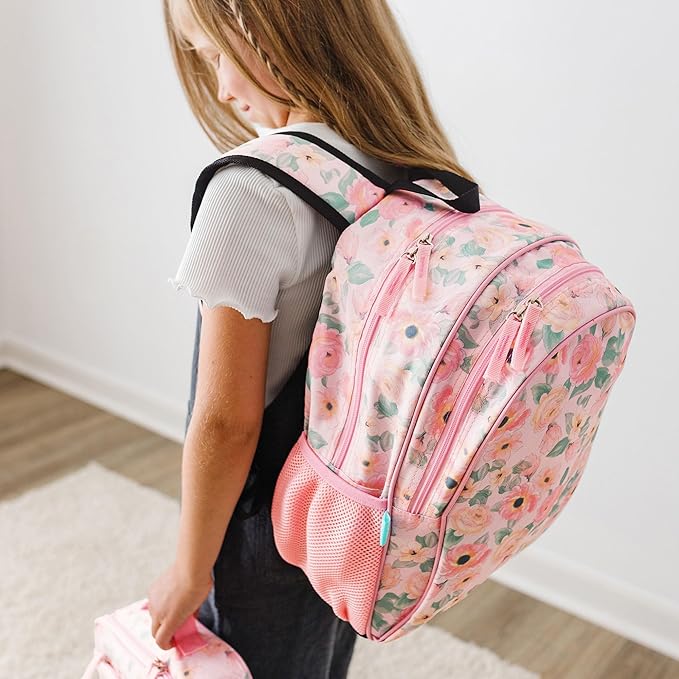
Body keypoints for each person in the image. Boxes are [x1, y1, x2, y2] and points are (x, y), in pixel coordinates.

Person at [146, 1, 480, 677]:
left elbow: (226, 422)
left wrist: (189, 565)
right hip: (356, 511)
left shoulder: (251, 187)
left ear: (268, 26)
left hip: (265, 518)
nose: (221, 88)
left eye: (216, 53)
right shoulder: (400, 167)